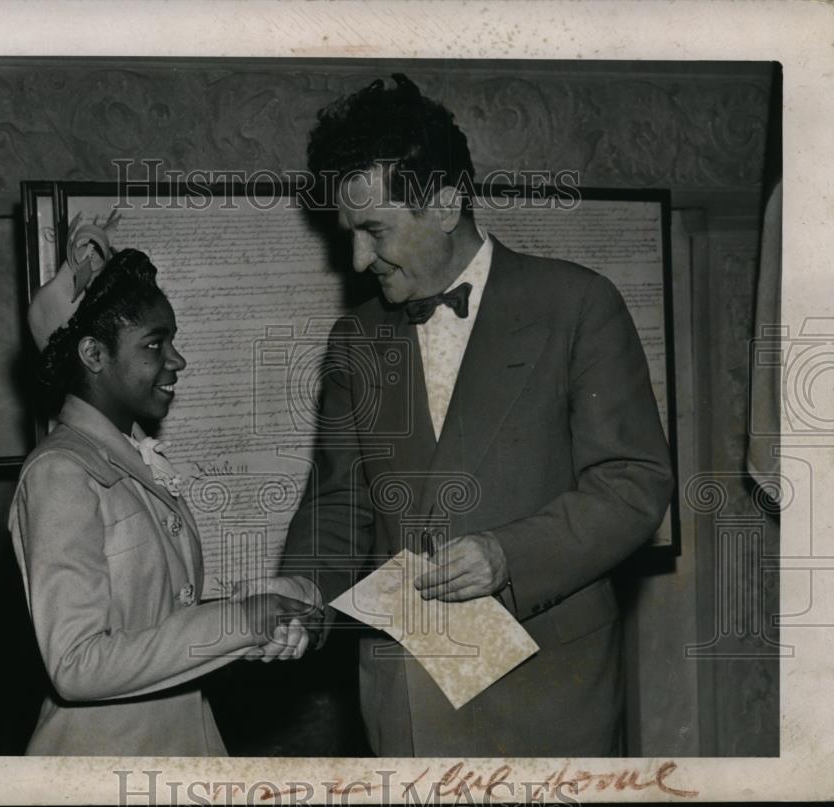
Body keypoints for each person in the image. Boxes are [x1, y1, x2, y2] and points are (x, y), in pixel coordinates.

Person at [269, 74, 675, 756]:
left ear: (446, 202)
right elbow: (337, 502)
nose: (358, 260)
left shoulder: (578, 305)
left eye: (374, 231)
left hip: (550, 694)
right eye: (349, 234)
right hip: (405, 698)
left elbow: (633, 482)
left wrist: (508, 555)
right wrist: (302, 587)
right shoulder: (355, 340)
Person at [9, 236, 316, 756]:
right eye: (155, 344)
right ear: (93, 354)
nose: (178, 359)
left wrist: (253, 616)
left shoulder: (128, 459)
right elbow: (76, 664)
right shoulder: (60, 472)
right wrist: (240, 623)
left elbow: (153, 622)